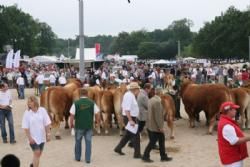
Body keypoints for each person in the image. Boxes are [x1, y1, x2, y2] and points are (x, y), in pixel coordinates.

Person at [69, 88, 100, 164]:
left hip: (79, 126)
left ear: (80, 94)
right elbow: (97, 113)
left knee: (78, 142)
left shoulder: (76, 103)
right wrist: (96, 122)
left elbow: (72, 115)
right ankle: (88, 159)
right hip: (89, 126)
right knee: (88, 142)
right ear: (87, 94)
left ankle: (78, 157)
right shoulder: (92, 103)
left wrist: (71, 124)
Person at [142, 87, 173, 163]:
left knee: (161, 140)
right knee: (152, 142)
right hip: (156, 126)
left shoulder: (151, 100)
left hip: (150, 124)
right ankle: (145, 156)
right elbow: (158, 116)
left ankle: (163, 156)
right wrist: (160, 127)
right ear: (161, 93)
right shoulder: (157, 102)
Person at [218, 101, 250, 167]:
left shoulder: (225, 121)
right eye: (234, 109)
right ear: (229, 110)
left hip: (232, 157)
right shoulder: (227, 125)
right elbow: (234, 141)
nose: (236, 111)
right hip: (232, 159)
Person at [22, 96, 51, 167]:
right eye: (28, 102)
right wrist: (30, 138)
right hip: (33, 138)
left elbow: (47, 123)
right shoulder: (27, 113)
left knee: (38, 154)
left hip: (42, 137)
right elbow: (26, 127)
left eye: (30, 102)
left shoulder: (42, 110)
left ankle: (32, 165)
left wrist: (48, 134)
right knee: (37, 153)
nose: (28, 103)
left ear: (35, 102)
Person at [114, 82, 141, 159]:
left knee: (128, 135)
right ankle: (137, 154)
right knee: (136, 136)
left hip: (129, 117)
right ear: (135, 89)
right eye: (138, 89)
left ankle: (118, 148)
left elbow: (124, 107)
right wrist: (131, 120)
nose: (139, 91)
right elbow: (127, 109)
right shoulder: (130, 96)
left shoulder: (128, 95)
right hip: (130, 117)